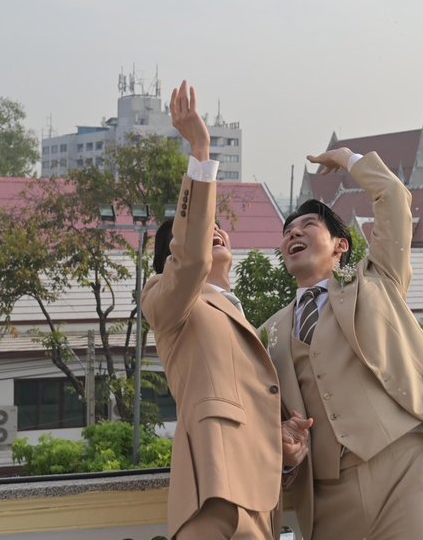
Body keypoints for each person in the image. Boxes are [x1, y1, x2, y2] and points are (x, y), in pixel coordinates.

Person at [261, 147, 423, 540]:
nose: (294, 233)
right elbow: (269, 414)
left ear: (341, 246)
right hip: (327, 494)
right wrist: (286, 452)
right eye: (287, 232)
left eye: (308, 225)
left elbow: (392, 195)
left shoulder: (375, 281)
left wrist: (347, 159)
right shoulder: (268, 332)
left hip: (403, 470)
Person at [142, 81, 310, 540]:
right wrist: (200, 151)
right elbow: (189, 260)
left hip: (260, 504)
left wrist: (285, 448)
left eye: (219, 227)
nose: (214, 231)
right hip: (212, 494)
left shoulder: (241, 319)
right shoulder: (168, 303)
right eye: (204, 228)